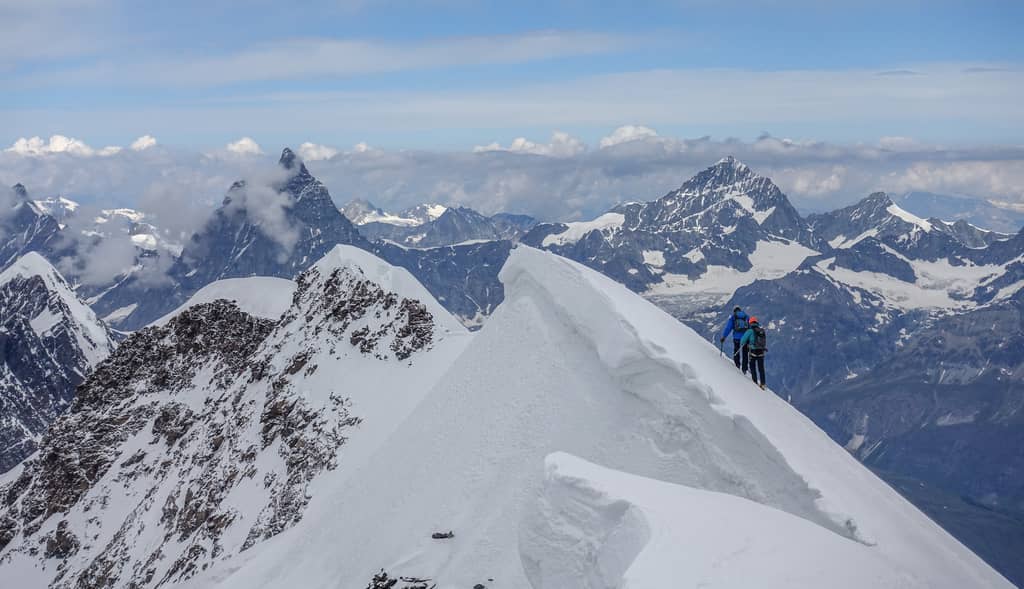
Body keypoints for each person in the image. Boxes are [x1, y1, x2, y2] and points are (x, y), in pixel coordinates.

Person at [719, 305, 751, 373]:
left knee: (736, 351)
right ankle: (744, 369)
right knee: (745, 353)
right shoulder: (746, 316)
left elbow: (728, 328)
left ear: (734, 311)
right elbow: (750, 327)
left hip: (737, 338)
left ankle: (737, 367)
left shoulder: (733, 317)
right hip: (745, 338)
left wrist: (724, 337)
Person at [739, 317, 767, 389]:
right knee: (761, 368)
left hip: (753, 352)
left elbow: (742, 341)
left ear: (750, 323)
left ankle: (755, 383)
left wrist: (748, 342)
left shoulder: (750, 331)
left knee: (753, 367)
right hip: (761, 352)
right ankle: (763, 384)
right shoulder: (761, 331)